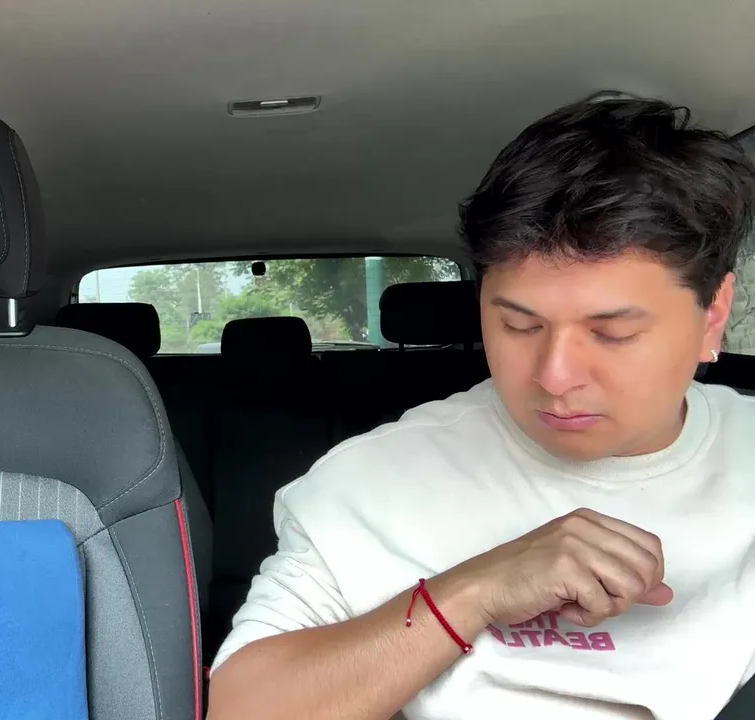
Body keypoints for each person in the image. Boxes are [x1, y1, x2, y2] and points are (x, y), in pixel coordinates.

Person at [207, 95, 755, 720]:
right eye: (520, 326)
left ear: (713, 315)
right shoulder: (369, 482)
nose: (554, 376)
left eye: (613, 333)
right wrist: (474, 593)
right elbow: (240, 709)